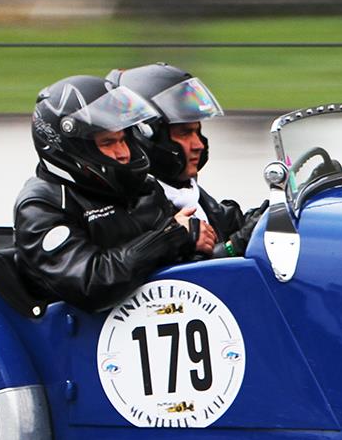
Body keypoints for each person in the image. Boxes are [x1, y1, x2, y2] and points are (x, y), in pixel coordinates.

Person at [13, 73, 209, 312]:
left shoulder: (144, 189)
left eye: (123, 140)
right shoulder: (42, 207)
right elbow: (91, 283)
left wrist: (227, 242)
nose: (123, 153)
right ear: (74, 147)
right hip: (75, 330)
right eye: (108, 143)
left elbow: (177, 262)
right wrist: (171, 237)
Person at [108, 62, 254, 257]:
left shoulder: (183, 191)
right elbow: (178, 272)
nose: (198, 145)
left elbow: (221, 221)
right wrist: (233, 247)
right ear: (144, 135)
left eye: (198, 132)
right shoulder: (135, 210)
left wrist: (260, 220)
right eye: (185, 133)